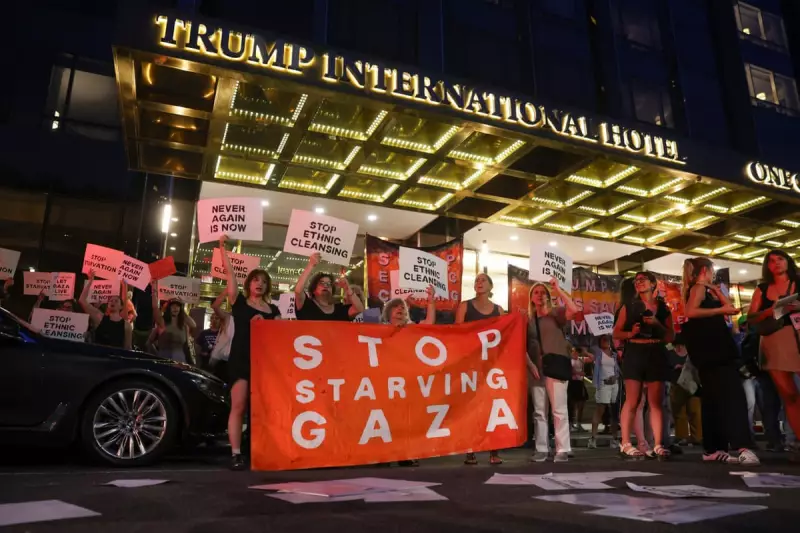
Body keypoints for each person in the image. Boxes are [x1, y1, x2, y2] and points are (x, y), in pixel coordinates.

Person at [683, 257, 759, 465]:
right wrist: (719, 309)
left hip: (711, 352)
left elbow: (730, 309)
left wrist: (717, 293)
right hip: (715, 351)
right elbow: (690, 312)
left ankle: (714, 448)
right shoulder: (698, 288)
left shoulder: (706, 289)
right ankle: (742, 447)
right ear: (706, 270)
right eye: (711, 270)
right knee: (733, 397)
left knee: (713, 400)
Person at [219, 235, 280, 471]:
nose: (259, 284)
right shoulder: (239, 303)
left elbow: (281, 336)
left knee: (262, 409)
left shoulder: (273, 310)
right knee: (239, 405)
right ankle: (235, 453)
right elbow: (230, 274)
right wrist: (223, 249)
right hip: (242, 360)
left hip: (265, 364)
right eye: (255, 280)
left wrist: (269, 326)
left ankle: (259, 449)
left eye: (263, 281)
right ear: (248, 284)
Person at [613, 271, 673, 459]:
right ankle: (625, 443)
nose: (638, 282)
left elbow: (670, 336)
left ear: (653, 284)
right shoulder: (629, 306)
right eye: (636, 280)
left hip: (656, 352)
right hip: (635, 351)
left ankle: (658, 444)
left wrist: (656, 324)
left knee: (655, 402)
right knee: (633, 400)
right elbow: (616, 333)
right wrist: (630, 333)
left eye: (643, 279)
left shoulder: (662, 308)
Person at [747, 249, 800, 459]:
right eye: (771, 261)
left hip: (797, 335)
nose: (776, 263)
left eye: (780, 259)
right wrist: (771, 311)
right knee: (789, 396)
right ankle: (797, 441)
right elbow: (751, 317)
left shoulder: (798, 281)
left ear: (788, 261)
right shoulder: (762, 289)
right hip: (774, 340)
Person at [527, 277, 580, 463]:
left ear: (548, 296)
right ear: (531, 298)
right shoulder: (528, 320)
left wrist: (557, 289)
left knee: (559, 409)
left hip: (555, 365)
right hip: (536, 369)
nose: (540, 295)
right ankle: (541, 448)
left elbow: (574, 310)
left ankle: (562, 449)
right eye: (536, 292)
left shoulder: (556, 313)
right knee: (539, 411)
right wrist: (530, 364)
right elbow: (521, 345)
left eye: (543, 292)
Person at [382, 285, 436, 467]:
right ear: (388, 312)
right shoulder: (377, 330)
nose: (400, 309)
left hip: (408, 381)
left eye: (403, 308)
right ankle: (384, 454)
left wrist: (431, 300)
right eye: (396, 307)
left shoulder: (412, 329)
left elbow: (429, 322)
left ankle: (406, 453)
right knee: (387, 418)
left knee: (407, 419)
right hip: (386, 381)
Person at [456, 272, 506, 465]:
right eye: (477, 280)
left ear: (491, 286)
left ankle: (494, 450)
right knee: (472, 408)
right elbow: (457, 334)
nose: (479, 282)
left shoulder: (499, 310)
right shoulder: (464, 306)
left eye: (483, 279)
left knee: (492, 407)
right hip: (471, 364)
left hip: (491, 365)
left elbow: (506, 335)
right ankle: (471, 449)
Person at [294, 252, 363, 321]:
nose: (326, 286)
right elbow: (298, 290)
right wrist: (311, 264)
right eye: (322, 283)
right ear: (313, 289)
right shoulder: (306, 305)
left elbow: (359, 309)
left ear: (332, 290)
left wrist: (348, 289)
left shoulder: (340, 309)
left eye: (329, 284)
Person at [79, 271, 132, 350]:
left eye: (116, 301)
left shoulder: (126, 325)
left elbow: (128, 347)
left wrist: (124, 286)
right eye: (110, 300)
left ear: (121, 306)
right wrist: (90, 280)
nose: (112, 302)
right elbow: (82, 300)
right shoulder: (99, 317)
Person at [150, 287, 197, 364]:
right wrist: (154, 291)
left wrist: (182, 310)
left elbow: (193, 325)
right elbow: (155, 307)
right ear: (168, 308)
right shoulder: (162, 322)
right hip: (164, 361)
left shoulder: (184, 326)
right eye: (173, 306)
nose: (175, 308)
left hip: (180, 362)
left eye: (178, 306)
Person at [588, 335, 620, 449]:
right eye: (603, 339)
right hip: (603, 384)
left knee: (614, 412)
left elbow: (617, 369)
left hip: (614, 384)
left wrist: (616, 377)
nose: (606, 341)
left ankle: (615, 439)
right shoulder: (598, 353)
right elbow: (591, 348)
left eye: (607, 339)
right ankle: (593, 438)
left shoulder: (614, 355)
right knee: (600, 410)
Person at [670, 339, 703, 448]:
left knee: (695, 410)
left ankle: (697, 436)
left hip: (692, 384)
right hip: (677, 383)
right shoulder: (670, 351)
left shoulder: (693, 350)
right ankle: (682, 436)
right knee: (680, 411)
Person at [568, 346, 593, 432]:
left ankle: (578, 423)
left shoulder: (581, 359)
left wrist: (585, 352)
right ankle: (570, 423)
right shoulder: (569, 360)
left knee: (581, 404)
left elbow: (592, 358)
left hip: (580, 383)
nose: (575, 353)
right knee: (572, 404)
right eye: (573, 351)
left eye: (576, 351)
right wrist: (579, 373)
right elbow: (569, 370)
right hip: (572, 383)